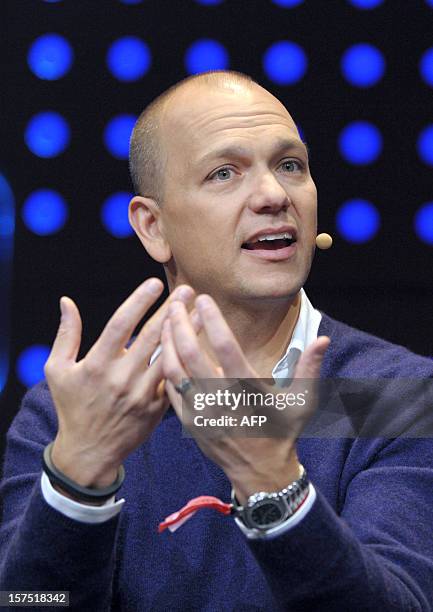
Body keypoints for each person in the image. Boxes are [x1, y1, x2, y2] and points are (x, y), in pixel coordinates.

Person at [1, 69, 433, 611]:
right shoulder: (74, 415)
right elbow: (29, 601)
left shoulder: (388, 394)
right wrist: (76, 486)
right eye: (225, 173)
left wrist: (275, 487)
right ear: (152, 227)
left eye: (290, 165)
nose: (274, 195)